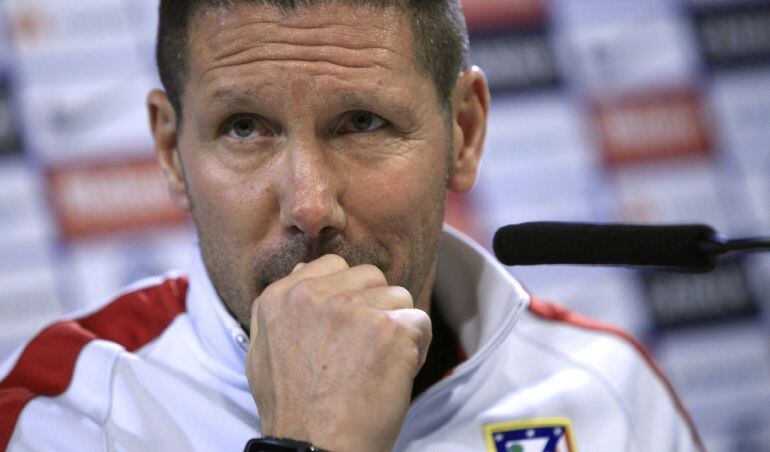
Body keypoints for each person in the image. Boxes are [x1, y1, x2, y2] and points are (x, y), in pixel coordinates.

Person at [0, 1, 704, 451]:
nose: (309, 205)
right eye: (244, 128)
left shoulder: (609, 384)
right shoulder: (67, 417)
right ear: (169, 151)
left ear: (464, 132)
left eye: (362, 122)